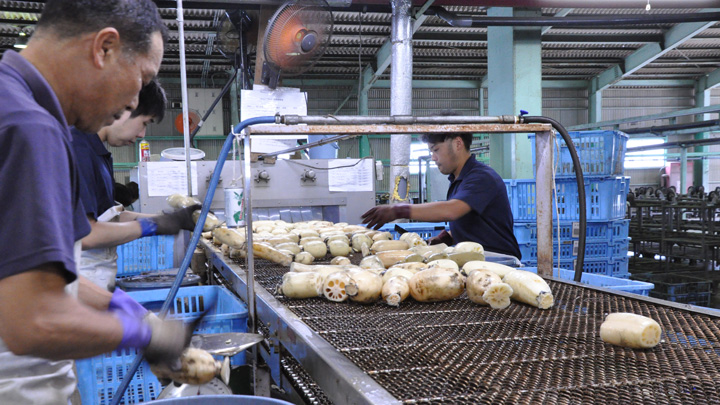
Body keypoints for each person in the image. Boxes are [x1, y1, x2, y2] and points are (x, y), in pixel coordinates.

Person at [0, 1, 190, 403]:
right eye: (143, 77)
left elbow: (30, 272)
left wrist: (119, 305)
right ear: (104, 48)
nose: (135, 101)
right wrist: (145, 334)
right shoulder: (29, 128)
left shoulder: (15, 104)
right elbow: (32, 321)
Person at [73, 79, 194, 291]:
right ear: (126, 107)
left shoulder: (98, 153)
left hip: (95, 279)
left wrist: (171, 219)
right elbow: (86, 234)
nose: (142, 135)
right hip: (76, 285)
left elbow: (109, 217)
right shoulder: (77, 148)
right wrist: (151, 226)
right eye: (145, 123)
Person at [361, 131, 522, 259]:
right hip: (476, 254)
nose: (433, 157)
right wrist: (446, 237)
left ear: (458, 143)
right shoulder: (459, 179)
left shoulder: (482, 177)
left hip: (498, 259)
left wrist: (398, 210)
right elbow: (476, 225)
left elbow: (451, 211)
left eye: (436, 149)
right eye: (431, 151)